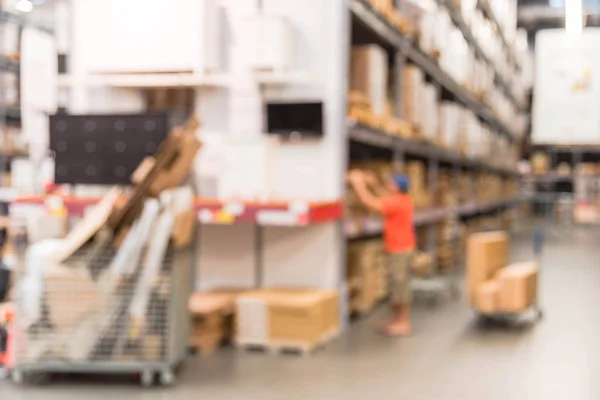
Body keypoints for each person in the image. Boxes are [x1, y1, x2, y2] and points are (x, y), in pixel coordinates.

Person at [348, 170, 416, 336]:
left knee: (400, 287)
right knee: (396, 286)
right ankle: (395, 320)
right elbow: (384, 195)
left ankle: (403, 322)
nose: (387, 185)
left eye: (390, 183)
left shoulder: (396, 203)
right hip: (401, 248)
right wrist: (374, 184)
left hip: (400, 250)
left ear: (396, 187)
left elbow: (370, 202)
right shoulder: (403, 200)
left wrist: (359, 184)